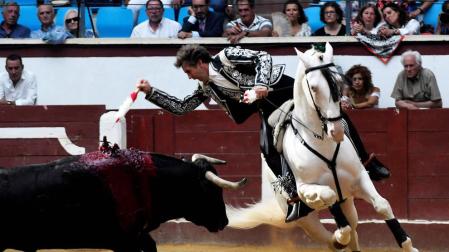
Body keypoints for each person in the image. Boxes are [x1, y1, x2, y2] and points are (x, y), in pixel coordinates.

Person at [135, 44, 390, 223]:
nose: (189, 77)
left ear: (200, 62)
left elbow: (263, 57)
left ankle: (368, 163)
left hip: (283, 90)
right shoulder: (206, 87)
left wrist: (260, 85)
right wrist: (150, 92)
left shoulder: (226, 56)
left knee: (336, 115)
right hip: (265, 109)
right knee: (267, 149)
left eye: (189, 71)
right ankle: (294, 199)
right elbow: (182, 108)